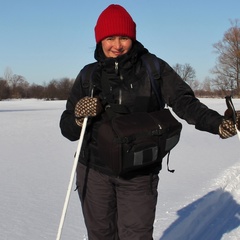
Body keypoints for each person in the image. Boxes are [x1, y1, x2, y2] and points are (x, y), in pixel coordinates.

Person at [60, 4, 240, 240]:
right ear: (99, 40)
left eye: (123, 37)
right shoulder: (88, 75)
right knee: (100, 235)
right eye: (110, 38)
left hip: (139, 172)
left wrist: (216, 123)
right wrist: (78, 116)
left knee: (136, 235)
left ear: (132, 37)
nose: (116, 45)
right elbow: (68, 128)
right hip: (94, 171)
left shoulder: (153, 68)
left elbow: (184, 102)